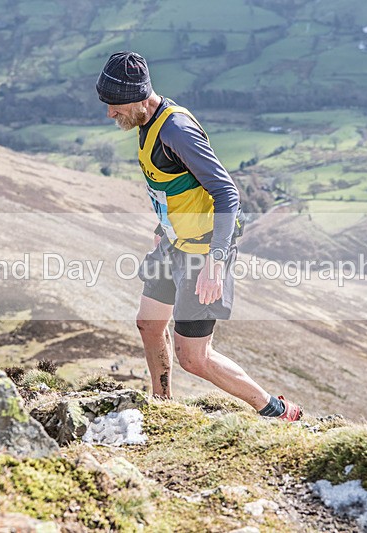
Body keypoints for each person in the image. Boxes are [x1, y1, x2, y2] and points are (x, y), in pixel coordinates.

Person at [96, 51, 302, 421]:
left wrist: (215, 263)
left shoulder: (176, 130)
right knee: (149, 324)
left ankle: (275, 410)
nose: (110, 114)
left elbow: (227, 193)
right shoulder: (145, 121)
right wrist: (163, 228)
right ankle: (163, 405)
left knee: (194, 357)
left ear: (141, 98)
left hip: (204, 253)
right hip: (174, 247)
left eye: (116, 106)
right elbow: (177, 188)